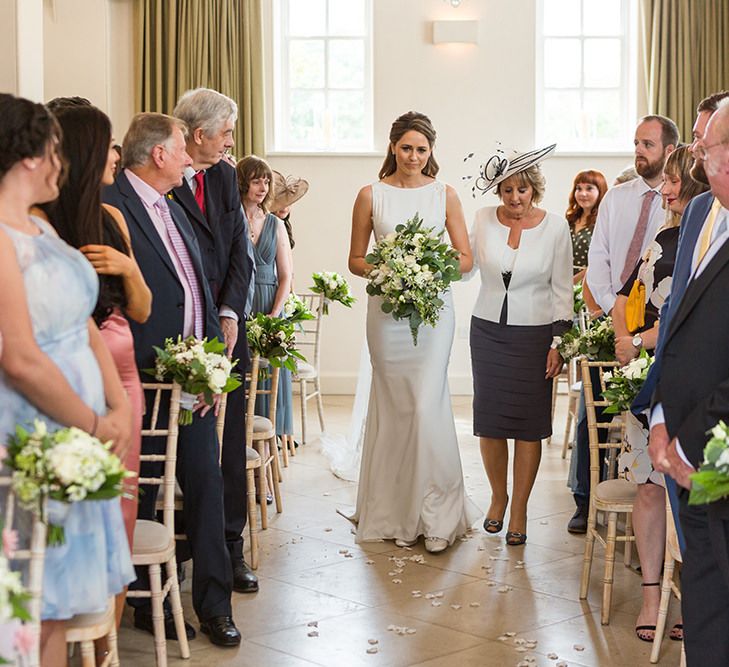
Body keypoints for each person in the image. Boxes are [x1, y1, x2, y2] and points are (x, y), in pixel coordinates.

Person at [0, 93, 134, 666]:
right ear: (32, 156)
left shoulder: (38, 226)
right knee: (22, 602)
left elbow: (82, 320)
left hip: (80, 432)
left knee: (53, 602)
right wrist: (94, 422)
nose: (64, 161)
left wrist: (118, 406)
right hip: (31, 432)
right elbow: (19, 357)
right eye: (56, 148)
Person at [103, 112, 241, 647]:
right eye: (182, 148)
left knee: (205, 487)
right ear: (158, 154)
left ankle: (214, 605)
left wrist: (208, 359)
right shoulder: (114, 205)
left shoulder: (176, 205)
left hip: (193, 377)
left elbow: (198, 287)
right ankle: (144, 604)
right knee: (144, 491)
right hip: (144, 377)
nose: (190, 157)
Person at [38, 103, 152, 633]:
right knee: (77, 512)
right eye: (108, 145)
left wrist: (128, 268)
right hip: (71, 381)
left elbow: (143, 308)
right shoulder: (39, 224)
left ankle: (106, 635)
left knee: (119, 513)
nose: (116, 156)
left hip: (123, 381)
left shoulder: (112, 218)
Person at [347, 110, 478, 554]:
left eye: (422, 149)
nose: (414, 156)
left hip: (433, 313)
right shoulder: (370, 195)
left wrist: (425, 270)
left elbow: (464, 259)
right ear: (392, 147)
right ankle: (389, 510)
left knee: (425, 404)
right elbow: (355, 260)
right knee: (395, 404)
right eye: (407, 148)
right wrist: (391, 271)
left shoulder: (445, 195)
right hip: (386, 315)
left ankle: (437, 513)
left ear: (431, 151)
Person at [613, 145, 707, 643]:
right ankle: (652, 597)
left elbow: (679, 319)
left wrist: (642, 340)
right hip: (647, 385)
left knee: (690, 498)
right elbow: (624, 297)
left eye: (673, 181)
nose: (666, 190)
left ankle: (695, 597)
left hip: (684, 381)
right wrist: (622, 340)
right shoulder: (664, 237)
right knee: (648, 490)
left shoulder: (706, 241)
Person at [568, 114, 679, 534]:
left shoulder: (675, 202)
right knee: (591, 410)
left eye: (647, 144)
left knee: (641, 414)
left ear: (669, 151)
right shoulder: (617, 197)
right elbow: (600, 256)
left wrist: (636, 330)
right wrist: (607, 316)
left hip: (649, 325)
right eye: (636, 143)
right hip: (609, 318)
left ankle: (643, 504)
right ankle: (584, 495)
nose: (638, 151)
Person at [648, 98, 729, 667]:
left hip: (717, 447)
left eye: (709, 145)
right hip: (680, 444)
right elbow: (675, 321)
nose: (697, 154)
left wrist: (690, 438)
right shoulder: (703, 211)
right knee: (704, 584)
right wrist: (657, 418)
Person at [170, 88, 258, 594]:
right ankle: (181, 545)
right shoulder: (162, 180)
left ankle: (230, 547)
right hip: (182, 333)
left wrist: (230, 312)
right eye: (226, 132)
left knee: (228, 448)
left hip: (226, 332)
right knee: (188, 447)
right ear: (198, 135)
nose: (232, 142)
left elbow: (238, 252)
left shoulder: (226, 176)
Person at [467, 146, 573, 546]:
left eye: (522, 190)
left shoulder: (555, 227)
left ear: (535, 190)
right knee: (490, 423)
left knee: (529, 427)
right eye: (508, 189)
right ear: (499, 190)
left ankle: (521, 510)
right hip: (489, 331)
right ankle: (498, 498)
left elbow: (563, 288)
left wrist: (558, 342)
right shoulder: (481, 219)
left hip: (535, 335)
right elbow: (465, 268)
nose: (514, 197)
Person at [236, 155, 294, 464]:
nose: (263, 186)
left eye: (266, 181)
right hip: (240, 307)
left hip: (270, 306)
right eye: (256, 180)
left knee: (269, 384)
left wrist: (274, 316)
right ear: (243, 182)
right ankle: (241, 454)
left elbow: (286, 276)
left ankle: (267, 460)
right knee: (244, 380)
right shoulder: (230, 219)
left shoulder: (275, 223)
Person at [565, 170, 607, 283]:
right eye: (578, 188)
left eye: (589, 189)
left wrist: (574, 281)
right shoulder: (569, 220)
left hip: (588, 283)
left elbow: (601, 261)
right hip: (562, 280)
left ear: (600, 191)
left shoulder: (603, 223)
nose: (583, 193)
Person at [270, 170, 309, 251]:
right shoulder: (268, 225)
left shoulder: (284, 225)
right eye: (280, 203)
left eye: (288, 203)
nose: (284, 207)